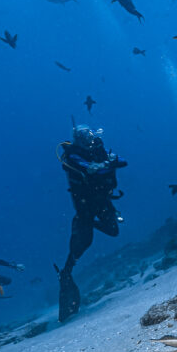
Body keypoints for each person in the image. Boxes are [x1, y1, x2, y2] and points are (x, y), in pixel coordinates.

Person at [56, 123, 127, 321]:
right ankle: (66, 272)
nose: (88, 138)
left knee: (113, 230)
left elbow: (122, 161)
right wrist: (104, 165)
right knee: (84, 242)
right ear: (77, 138)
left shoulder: (98, 148)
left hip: (102, 200)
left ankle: (86, 226)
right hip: (86, 205)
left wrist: (109, 162)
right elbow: (87, 168)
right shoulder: (72, 155)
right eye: (83, 135)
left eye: (89, 134)